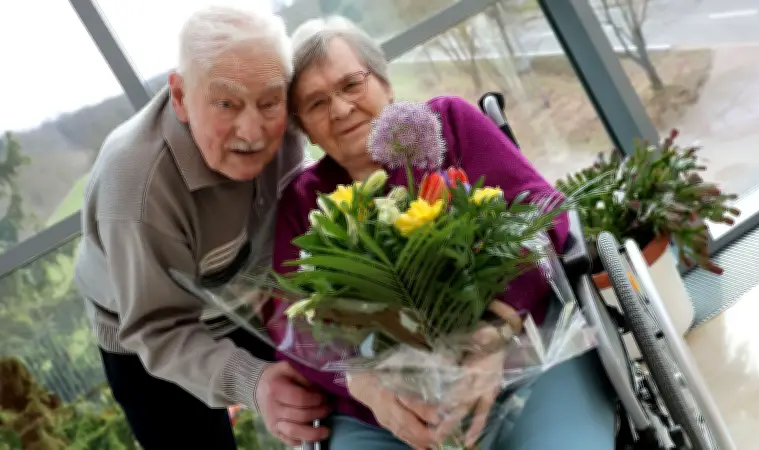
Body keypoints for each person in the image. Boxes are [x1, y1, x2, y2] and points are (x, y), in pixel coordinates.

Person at [268, 16, 619, 450]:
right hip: (389, 412)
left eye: (352, 85)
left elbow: (540, 210)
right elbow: (289, 317)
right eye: (316, 103)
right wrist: (365, 384)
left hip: (527, 350)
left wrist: (497, 325)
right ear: (303, 127)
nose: (340, 110)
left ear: (385, 83)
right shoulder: (303, 203)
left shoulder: (446, 124)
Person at [73, 7, 331, 449]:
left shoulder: (284, 116)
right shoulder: (136, 187)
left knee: (326, 403)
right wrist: (254, 382)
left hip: (246, 289)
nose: (253, 132)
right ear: (179, 96)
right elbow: (158, 327)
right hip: (150, 328)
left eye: (269, 102)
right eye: (226, 103)